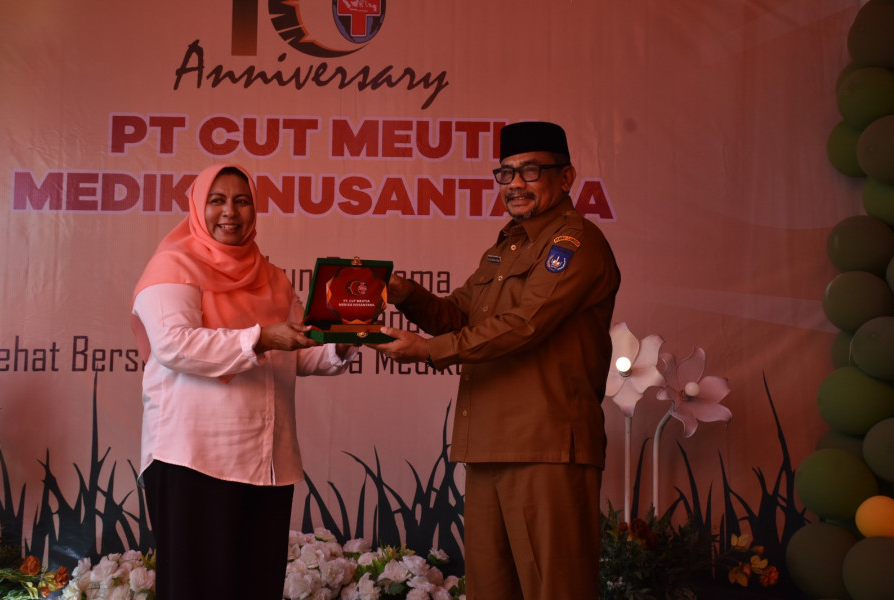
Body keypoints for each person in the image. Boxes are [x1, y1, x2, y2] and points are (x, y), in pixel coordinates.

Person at [370, 121, 620, 599]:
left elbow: (527, 324)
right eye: (505, 175)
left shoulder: (575, 243)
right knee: (490, 589)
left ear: (565, 178)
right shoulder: (506, 246)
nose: (515, 186)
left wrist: (426, 351)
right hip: (487, 443)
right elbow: (458, 315)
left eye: (530, 171)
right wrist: (402, 292)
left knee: (556, 588)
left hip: (544, 444)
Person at [130, 164, 355, 600]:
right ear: (198, 207)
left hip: (265, 460)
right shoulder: (173, 266)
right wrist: (261, 336)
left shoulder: (270, 276)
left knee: (256, 586)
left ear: (255, 209)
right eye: (217, 200)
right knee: (198, 590)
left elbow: (295, 352)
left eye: (242, 200)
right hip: (193, 457)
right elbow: (174, 346)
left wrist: (343, 343)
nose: (229, 212)